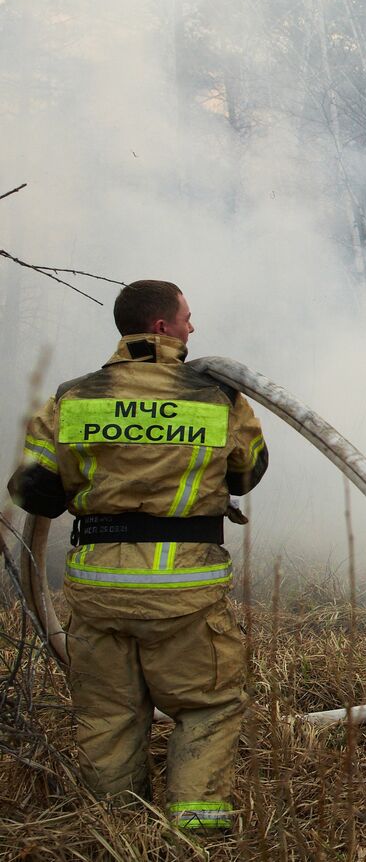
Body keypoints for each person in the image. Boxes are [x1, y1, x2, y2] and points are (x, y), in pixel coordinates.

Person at [7, 280, 268, 832]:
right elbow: (248, 473)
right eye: (187, 318)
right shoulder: (214, 395)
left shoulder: (74, 396)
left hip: (97, 587)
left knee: (107, 715)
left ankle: (117, 827)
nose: (193, 328)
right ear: (161, 327)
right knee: (207, 707)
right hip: (183, 592)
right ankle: (197, 828)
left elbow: (32, 489)